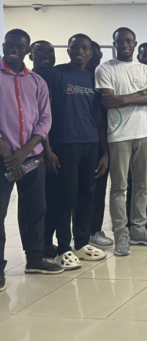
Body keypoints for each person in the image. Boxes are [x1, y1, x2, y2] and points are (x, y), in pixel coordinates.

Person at [40, 33, 108, 270]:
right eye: (75, 47)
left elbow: (98, 119)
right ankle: (63, 248)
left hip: (90, 144)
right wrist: (47, 148)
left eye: (84, 48)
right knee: (65, 197)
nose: (80, 51)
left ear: (91, 53)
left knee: (87, 195)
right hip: (64, 145)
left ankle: (81, 243)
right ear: (68, 50)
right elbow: (44, 113)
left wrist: (104, 152)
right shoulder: (55, 74)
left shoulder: (92, 78)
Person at [1, 29, 62, 284]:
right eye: (10, 44)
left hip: (32, 157)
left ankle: (35, 259)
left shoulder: (37, 81)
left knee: (35, 209)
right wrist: (9, 155)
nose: (14, 48)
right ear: (3, 46)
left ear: (27, 51)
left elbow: (45, 119)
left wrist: (25, 151)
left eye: (20, 45)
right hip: (3, 157)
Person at [95, 27, 147, 256]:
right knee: (119, 187)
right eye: (120, 41)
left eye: (128, 41)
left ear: (135, 44)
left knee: (142, 185)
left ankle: (139, 230)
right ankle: (120, 234)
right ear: (114, 43)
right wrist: (140, 96)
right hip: (119, 136)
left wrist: (123, 99)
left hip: (144, 133)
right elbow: (108, 101)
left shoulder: (145, 69)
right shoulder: (105, 69)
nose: (124, 45)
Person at [86, 41, 113, 247]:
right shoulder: (75, 77)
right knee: (82, 191)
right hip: (79, 140)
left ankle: (94, 230)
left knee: (98, 189)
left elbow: (101, 118)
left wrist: (105, 151)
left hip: (102, 140)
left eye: (94, 53)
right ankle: (81, 233)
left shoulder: (102, 77)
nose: (90, 57)